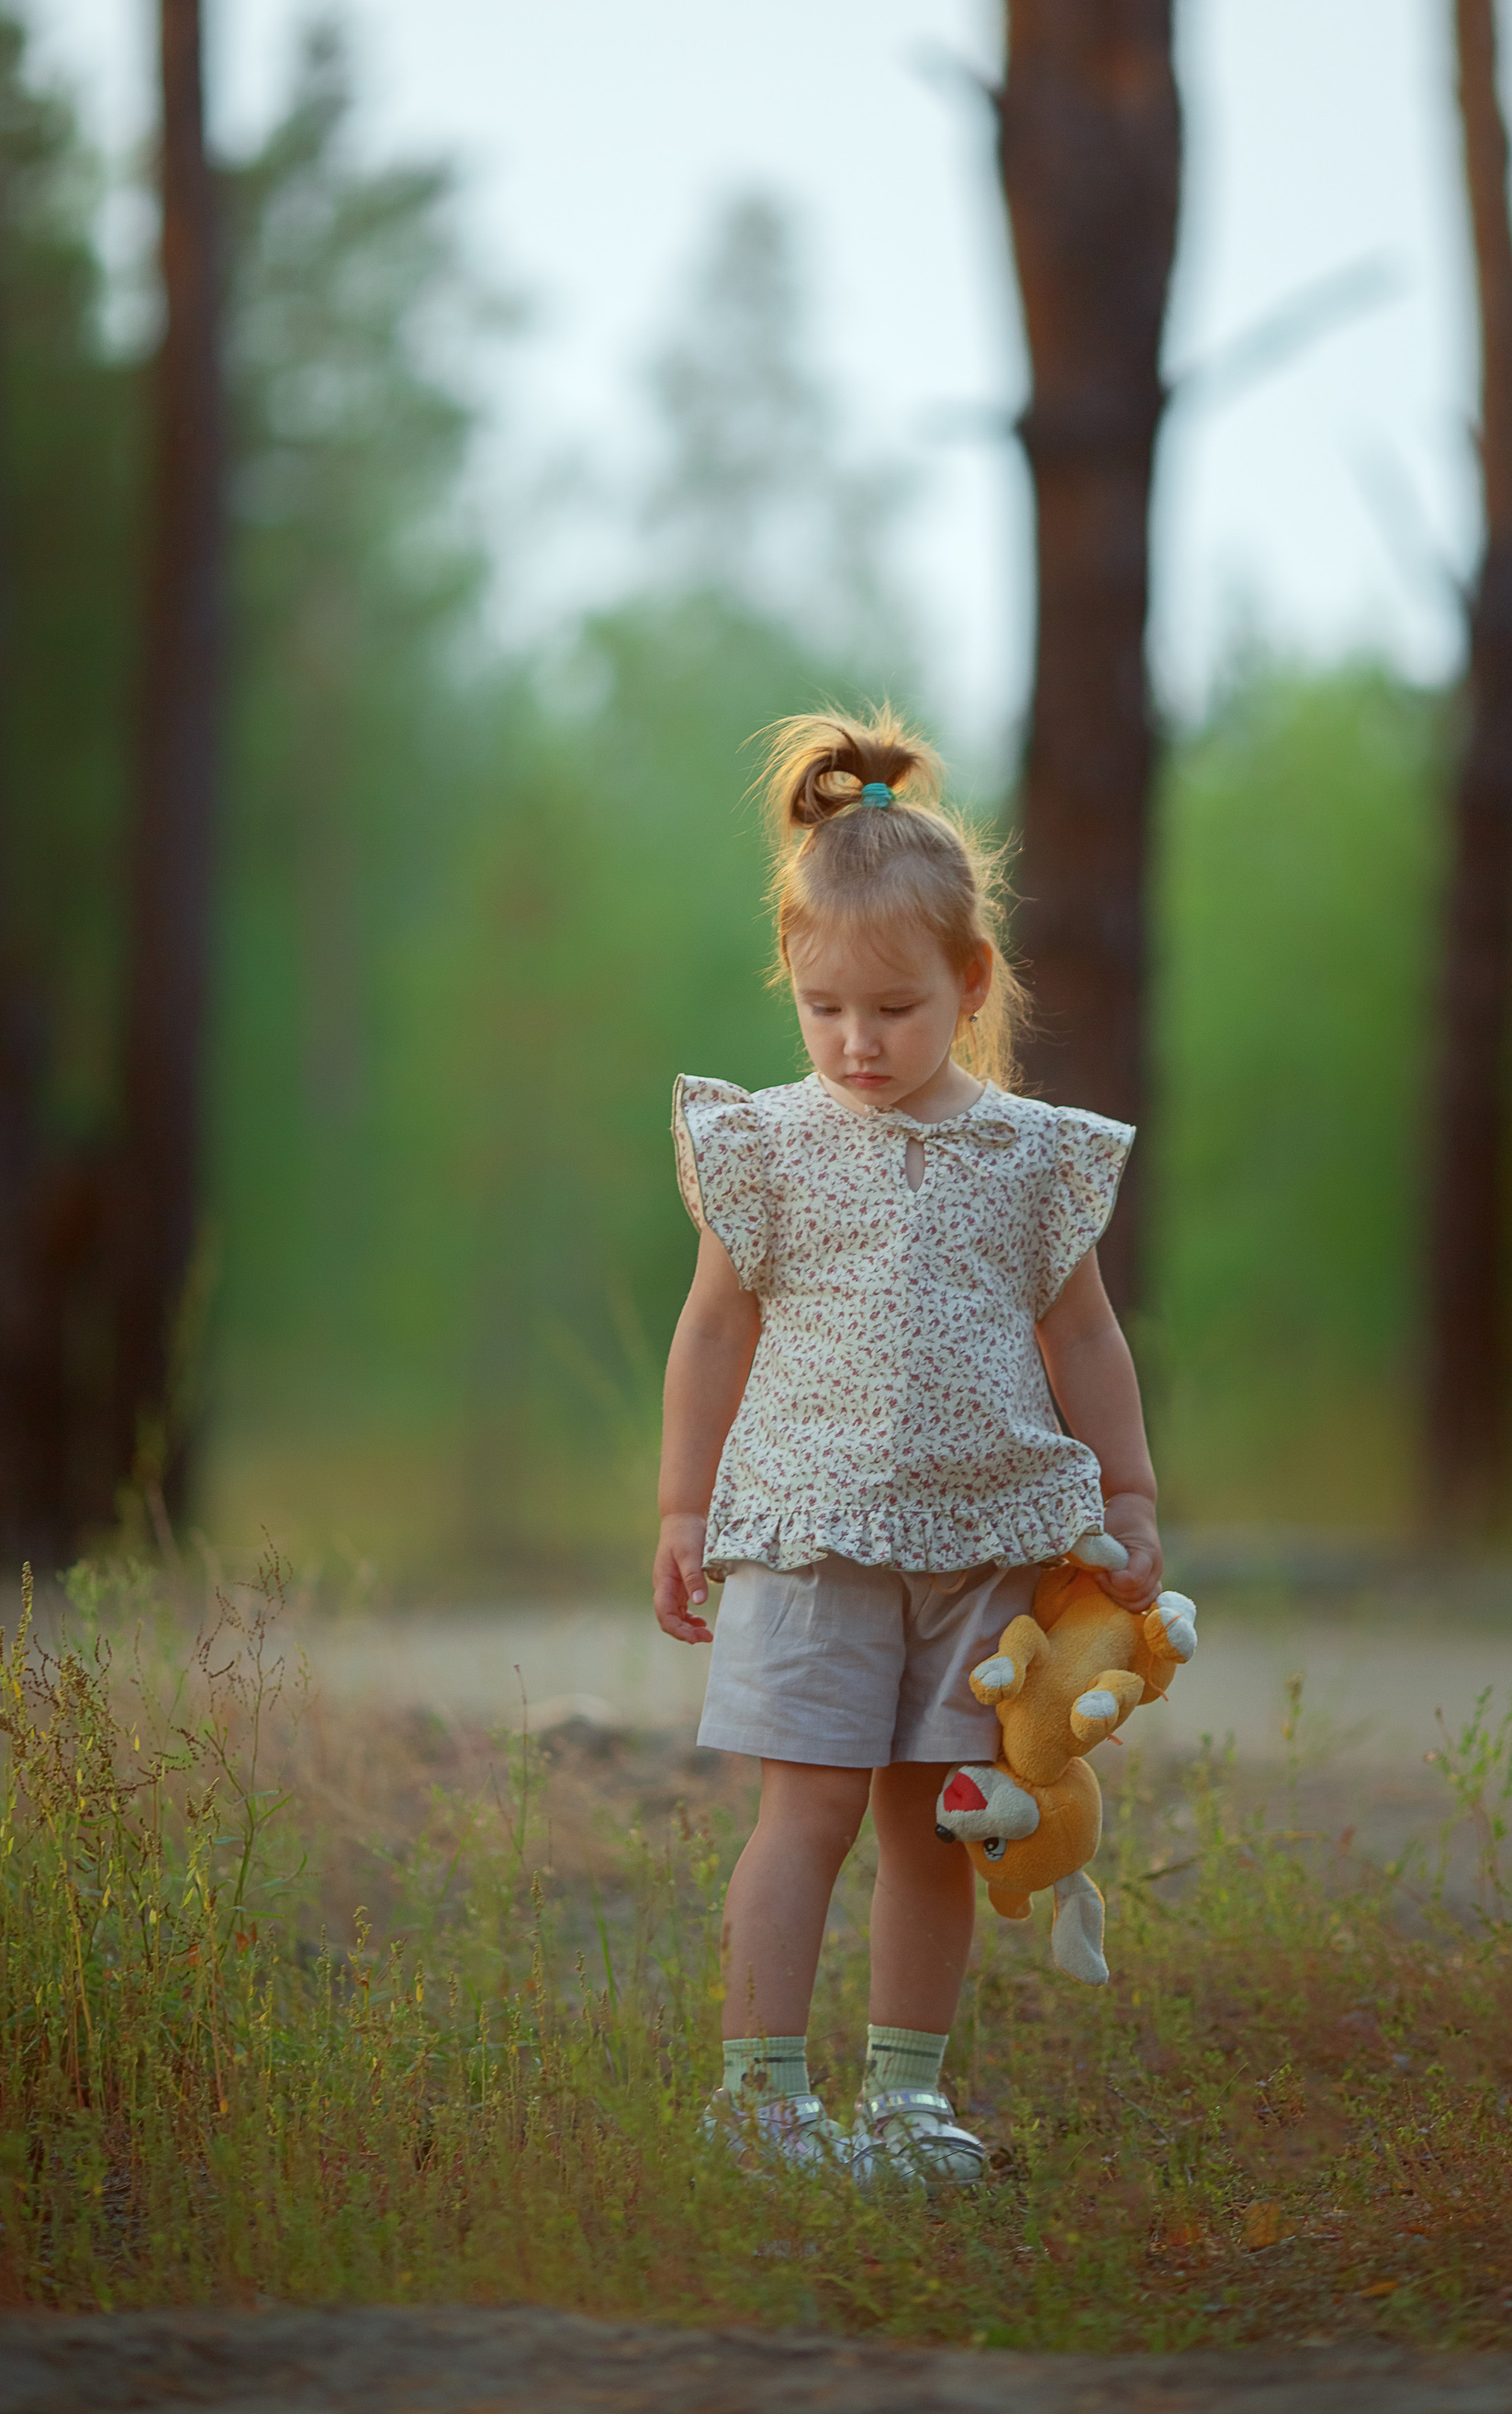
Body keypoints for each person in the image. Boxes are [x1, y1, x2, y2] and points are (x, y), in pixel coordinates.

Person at [653, 707, 1163, 2188]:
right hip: (808, 1530)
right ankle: (755, 2098)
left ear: (968, 982)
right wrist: (686, 1508)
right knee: (801, 1808)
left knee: (936, 1825)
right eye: (822, 1011)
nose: (855, 1044)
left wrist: (1122, 1492)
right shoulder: (764, 1144)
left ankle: (903, 2103)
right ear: (791, 991)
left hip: (985, 1543)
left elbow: (1082, 1340)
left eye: (891, 1008)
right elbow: (709, 1333)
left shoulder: (1028, 1154)